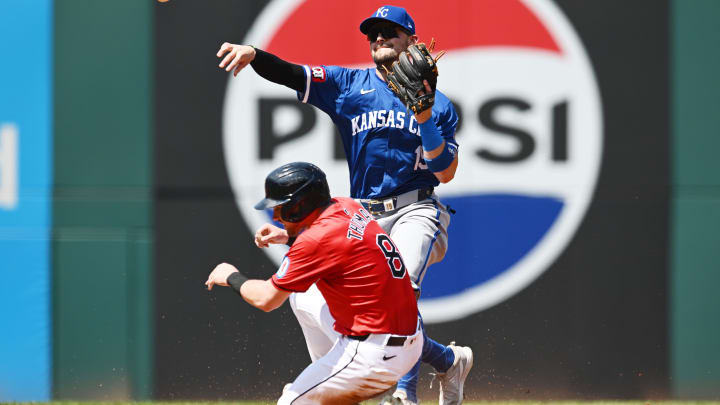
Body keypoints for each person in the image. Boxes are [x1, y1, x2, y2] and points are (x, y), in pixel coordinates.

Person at [217, 5, 473, 405]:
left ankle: (404, 394)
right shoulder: (350, 84)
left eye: (390, 31)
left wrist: (423, 116)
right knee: (318, 300)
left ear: (412, 40)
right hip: (366, 212)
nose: (379, 38)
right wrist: (254, 54)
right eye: (373, 33)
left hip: (417, 208)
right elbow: (294, 74)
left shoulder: (438, 105)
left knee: (401, 285)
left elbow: (446, 172)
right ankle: (446, 360)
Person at [206, 162, 423, 404]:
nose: (276, 216)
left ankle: (328, 386)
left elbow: (266, 299)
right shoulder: (346, 206)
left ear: (301, 205)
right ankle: (328, 379)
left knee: (290, 402)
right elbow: (338, 245)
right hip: (407, 338)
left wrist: (231, 276)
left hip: (375, 354)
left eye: (281, 208)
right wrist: (288, 236)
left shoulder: (315, 240)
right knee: (303, 298)